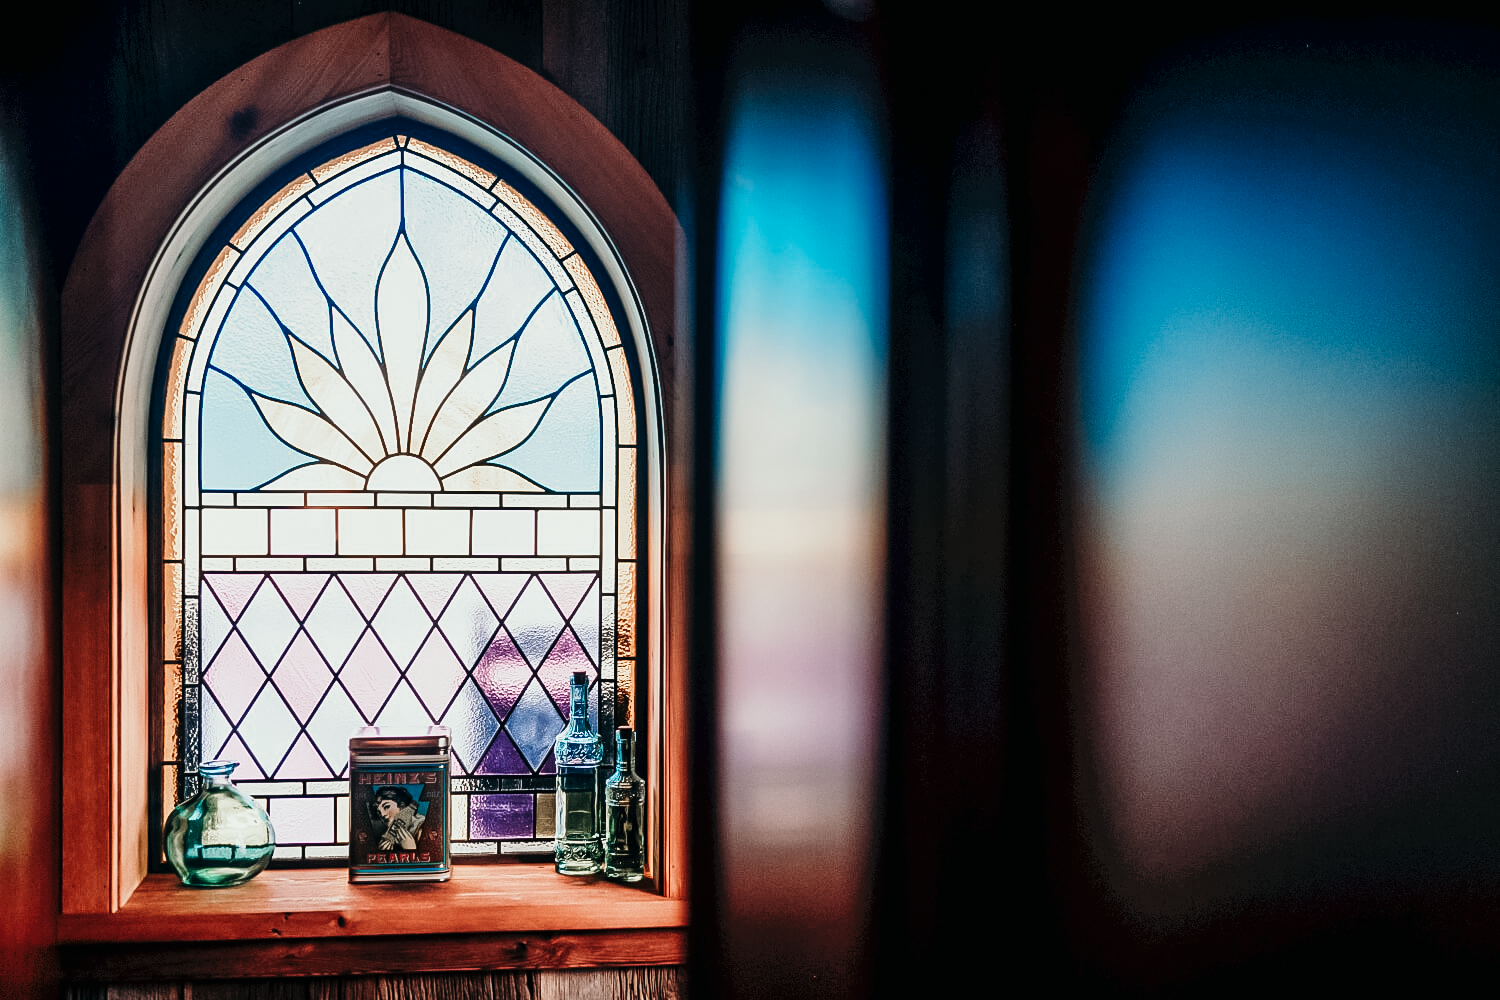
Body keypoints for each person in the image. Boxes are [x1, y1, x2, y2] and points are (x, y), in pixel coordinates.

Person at [372, 785, 425, 851]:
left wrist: (410, 848)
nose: (382, 815)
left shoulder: (422, 826)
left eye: (386, 807)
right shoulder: (387, 835)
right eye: (379, 812)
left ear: (402, 806)